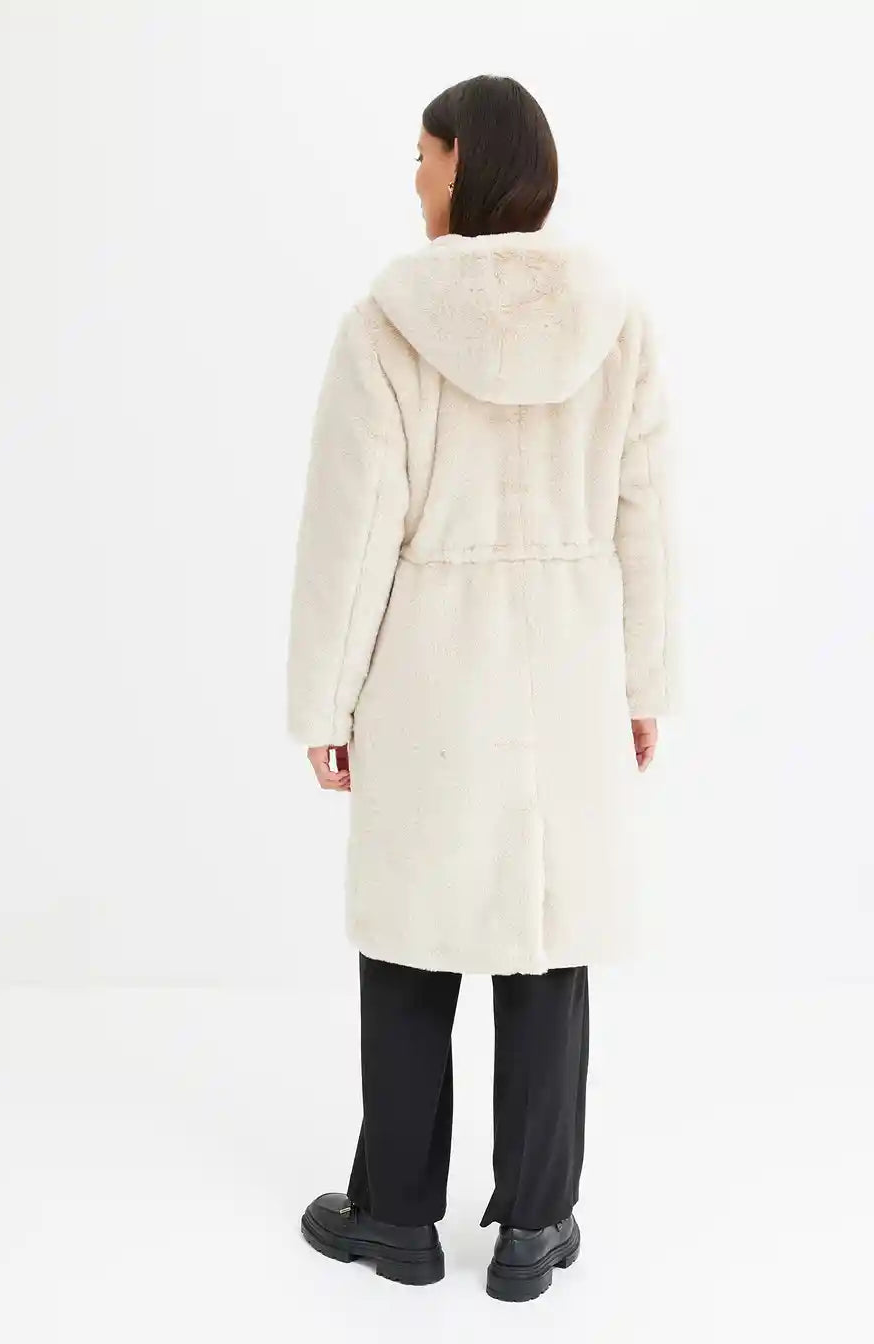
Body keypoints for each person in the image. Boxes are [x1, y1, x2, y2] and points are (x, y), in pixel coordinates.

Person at [285, 73, 675, 1302]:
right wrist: (646, 685)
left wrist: (324, 704)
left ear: (466, 163)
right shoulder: (617, 324)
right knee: (546, 941)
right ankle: (534, 1227)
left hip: (429, 673)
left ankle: (397, 1216)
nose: (413, 176)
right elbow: (646, 518)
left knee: (412, 941)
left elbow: (352, 533)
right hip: (568, 670)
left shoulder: (386, 326)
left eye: (423, 154)